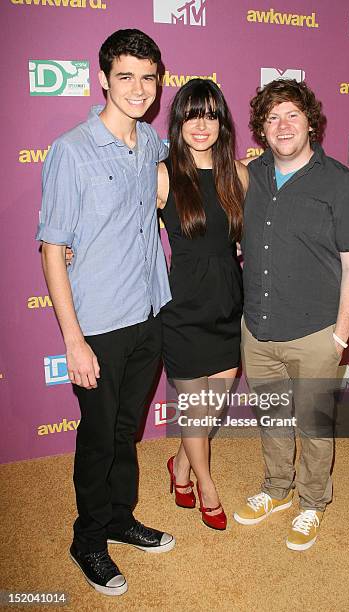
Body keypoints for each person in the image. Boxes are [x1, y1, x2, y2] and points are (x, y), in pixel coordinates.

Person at [36, 29, 175, 596]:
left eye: (148, 78)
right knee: (98, 435)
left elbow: (180, 184)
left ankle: (120, 517)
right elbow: (52, 247)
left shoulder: (152, 145)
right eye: (126, 77)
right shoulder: (71, 150)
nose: (139, 89)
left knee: (125, 429)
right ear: (103, 80)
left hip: (149, 313)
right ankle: (88, 538)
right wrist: (73, 340)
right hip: (99, 323)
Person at [234, 79, 349, 550]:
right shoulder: (250, 176)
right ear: (261, 130)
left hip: (316, 332)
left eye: (292, 114)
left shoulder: (343, 183)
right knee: (271, 418)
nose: (282, 125)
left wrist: (339, 337)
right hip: (258, 328)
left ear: (310, 121)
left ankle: (312, 502)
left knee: (313, 426)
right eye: (271, 118)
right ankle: (276, 489)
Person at [157, 78, 248, 530]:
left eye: (210, 114)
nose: (201, 124)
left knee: (207, 411)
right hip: (182, 309)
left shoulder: (240, 174)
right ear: (178, 122)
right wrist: (73, 248)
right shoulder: (162, 175)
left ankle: (179, 466)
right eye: (192, 114)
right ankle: (205, 487)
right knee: (195, 411)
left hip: (230, 304)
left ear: (222, 122)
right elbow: (120, 226)